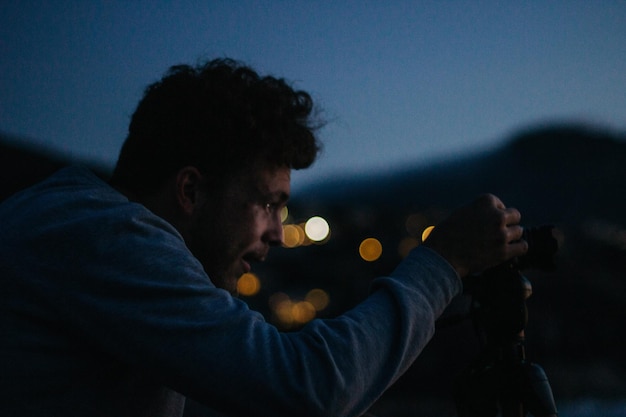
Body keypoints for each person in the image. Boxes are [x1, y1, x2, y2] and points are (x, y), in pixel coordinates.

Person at [0, 58, 527, 417]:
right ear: (190, 190)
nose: (278, 232)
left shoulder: (73, 227)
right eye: (269, 203)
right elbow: (306, 388)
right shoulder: (106, 236)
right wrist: (445, 262)